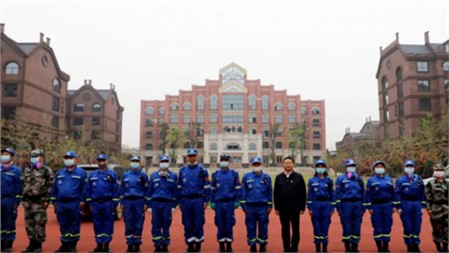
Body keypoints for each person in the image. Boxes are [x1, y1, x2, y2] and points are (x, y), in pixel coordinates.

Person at [51, 151, 87, 252]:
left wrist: (83, 201)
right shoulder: (60, 173)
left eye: (70, 158)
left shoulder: (81, 173)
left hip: (74, 202)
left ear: (76, 160)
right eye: (66, 158)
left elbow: (84, 189)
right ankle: (64, 244)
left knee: (74, 224)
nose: (68, 160)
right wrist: (54, 201)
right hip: (61, 203)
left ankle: (73, 245)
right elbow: (55, 188)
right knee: (63, 223)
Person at [85, 153, 120, 253]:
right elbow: (88, 189)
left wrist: (114, 204)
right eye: (99, 160)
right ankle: (99, 245)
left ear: (106, 161)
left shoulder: (112, 174)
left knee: (108, 224)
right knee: (97, 224)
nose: (101, 162)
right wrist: (90, 204)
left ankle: (107, 246)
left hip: (107, 203)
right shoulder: (93, 174)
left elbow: (116, 189)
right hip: (96, 204)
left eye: (103, 160)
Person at [177, 149, 210, 252]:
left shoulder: (202, 170)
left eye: (193, 156)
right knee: (187, 223)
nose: (192, 158)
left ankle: (198, 245)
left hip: (198, 200)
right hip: (186, 200)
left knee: (198, 223)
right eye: (190, 156)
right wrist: (179, 201)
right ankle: (190, 245)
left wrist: (206, 201)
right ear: (187, 157)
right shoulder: (182, 170)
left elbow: (207, 187)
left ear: (197, 157)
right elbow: (179, 187)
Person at [22, 149, 55, 253]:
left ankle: (38, 245)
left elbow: (50, 186)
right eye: (32, 156)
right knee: (29, 224)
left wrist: (47, 199)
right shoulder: (27, 170)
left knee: (39, 224)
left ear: (41, 157)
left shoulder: (46, 170)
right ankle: (31, 244)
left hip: (39, 201)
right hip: (28, 201)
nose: (34, 158)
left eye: (36, 156)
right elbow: (24, 184)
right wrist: (23, 199)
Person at [274, 156, 307, 253]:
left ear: (293, 164)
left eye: (289, 163)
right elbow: (276, 193)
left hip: (295, 208)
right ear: (283, 164)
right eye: (286, 163)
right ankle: (286, 248)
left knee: (296, 229)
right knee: (285, 230)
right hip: (283, 209)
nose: (288, 164)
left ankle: (294, 248)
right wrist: (276, 207)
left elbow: (303, 193)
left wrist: (302, 207)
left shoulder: (298, 177)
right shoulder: (278, 177)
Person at [210, 153, 241, 253]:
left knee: (229, 223)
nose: (224, 161)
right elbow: (212, 190)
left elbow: (238, 189)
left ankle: (229, 246)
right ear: (220, 161)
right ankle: (221, 246)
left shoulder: (234, 174)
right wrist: (212, 202)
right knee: (219, 224)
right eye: (222, 159)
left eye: (226, 159)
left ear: (229, 161)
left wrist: (237, 201)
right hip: (219, 203)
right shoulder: (215, 174)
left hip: (229, 203)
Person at [240, 156, 273, 253]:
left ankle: (263, 245)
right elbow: (243, 192)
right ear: (251, 165)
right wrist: (244, 206)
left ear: (261, 164)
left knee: (263, 227)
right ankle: (252, 245)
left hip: (263, 206)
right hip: (250, 207)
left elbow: (270, 191)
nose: (256, 166)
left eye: (258, 164)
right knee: (250, 227)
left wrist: (270, 205)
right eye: (255, 164)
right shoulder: (246, 177)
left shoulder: (267, 177)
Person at [394, 160, 426, 253]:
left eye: (411, 166)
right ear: (404, 168)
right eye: (407, 166)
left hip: (416, 203)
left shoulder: (418, 179)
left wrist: (423, 205)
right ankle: (409, 245)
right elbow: (397, 194)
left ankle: (416, 245)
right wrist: (398, 206)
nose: (409, 168)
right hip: (405, 203)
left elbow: (422, 193)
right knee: (408, 226)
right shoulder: (400, 180)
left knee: (417, 225)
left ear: (414, 167)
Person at [148, 155, 178, 253]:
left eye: (166, 161)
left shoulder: (173, 176)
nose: (164, 163)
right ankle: (157, 246)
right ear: (159, 162)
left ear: (168, 163)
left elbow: (175, 192)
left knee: (166, 224)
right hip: (156, 203)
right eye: (162, 161)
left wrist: (174, 206)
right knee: (156, 224)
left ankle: (165, 246)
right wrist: (149, 205)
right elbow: (149, 191)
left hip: (167, 204)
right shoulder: (153, 175)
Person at [119, 155, 149, 253]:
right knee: (128, 222)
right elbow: (122, 190)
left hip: (139, 201)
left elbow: (147, 190)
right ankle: (130, 244)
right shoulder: (125, 175)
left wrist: (145, 203)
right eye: (133, 161)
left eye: (136, 161)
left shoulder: (143, 175)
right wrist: (122, 203)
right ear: (130, 162)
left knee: (138, 223)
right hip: (127, 201)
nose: (134, 162)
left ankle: (137, 245)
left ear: (139, 163)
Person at [364, 160, 395, 253]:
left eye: (381, 166)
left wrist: (394, 205)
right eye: (377, 167)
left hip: (387, 204)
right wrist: (369, 207)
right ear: (374, 169)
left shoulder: (389, 179)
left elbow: (393, 193)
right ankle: (379, 248)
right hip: (376, 205)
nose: (380, 168)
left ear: (384, 168)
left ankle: (386, 247)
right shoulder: (371, 180)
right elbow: (367, 194)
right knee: (377, 226)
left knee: (387, 226)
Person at [335, 158, 365, 253]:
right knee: (346, 225)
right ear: (346, 167)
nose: (351, 168)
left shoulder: (359, 179)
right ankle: (347, 247)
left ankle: (355, 247)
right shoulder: (341, 179)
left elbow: (363, 193)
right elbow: (337, 193)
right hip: (346, 204)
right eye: (349, 166)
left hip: (357, 203)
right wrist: (339, 207)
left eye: (353, 166)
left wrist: (363, 207)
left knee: (357, 225)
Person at [306, 160, 334, 253]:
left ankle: (325, 248)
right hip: (315, 204)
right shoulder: (312, 180)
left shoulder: (329, 180)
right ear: (316, 168)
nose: (320, 168)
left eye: (322, 166)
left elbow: (332, 194)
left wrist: (332, 207)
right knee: (316, 225)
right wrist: (310, 207)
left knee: (326, 224)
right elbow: (309, 195)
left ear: (325, 168)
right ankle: (318, 248)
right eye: (319, 166)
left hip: (326, 204)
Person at [0, 147, 23, 252]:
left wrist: (17, 201)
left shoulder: (16, 170)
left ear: (12, 157)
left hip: (10, 200)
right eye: (3, 154)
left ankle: (9, 243)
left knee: (9, 222)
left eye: (7, 154)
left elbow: (19, 187)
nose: (4, 156)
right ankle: (1, 242)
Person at [425, 163, 448, 253]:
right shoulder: (430, 183)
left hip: (446, 208)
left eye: (441, 170)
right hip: (435, 208)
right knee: (436, 229)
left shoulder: (447, 183)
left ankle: (445, 248)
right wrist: (428, 208)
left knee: (446, 230)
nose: (439, 172)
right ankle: (438, 247)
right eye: (437, 170)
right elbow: (427, 197)